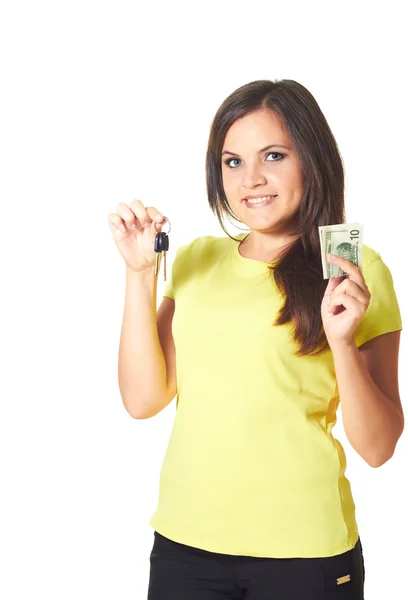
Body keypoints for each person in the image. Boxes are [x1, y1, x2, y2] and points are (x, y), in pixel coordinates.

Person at [108, 79, 404, 599]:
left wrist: (340, 341)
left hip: (304, 555)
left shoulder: (354, 270)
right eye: (233, 161)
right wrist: (139, 275)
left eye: (273, 155)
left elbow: (378, 448)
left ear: (311, 158)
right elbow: (142, 400)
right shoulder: (199, 259)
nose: (252, 179)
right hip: (186, 544)